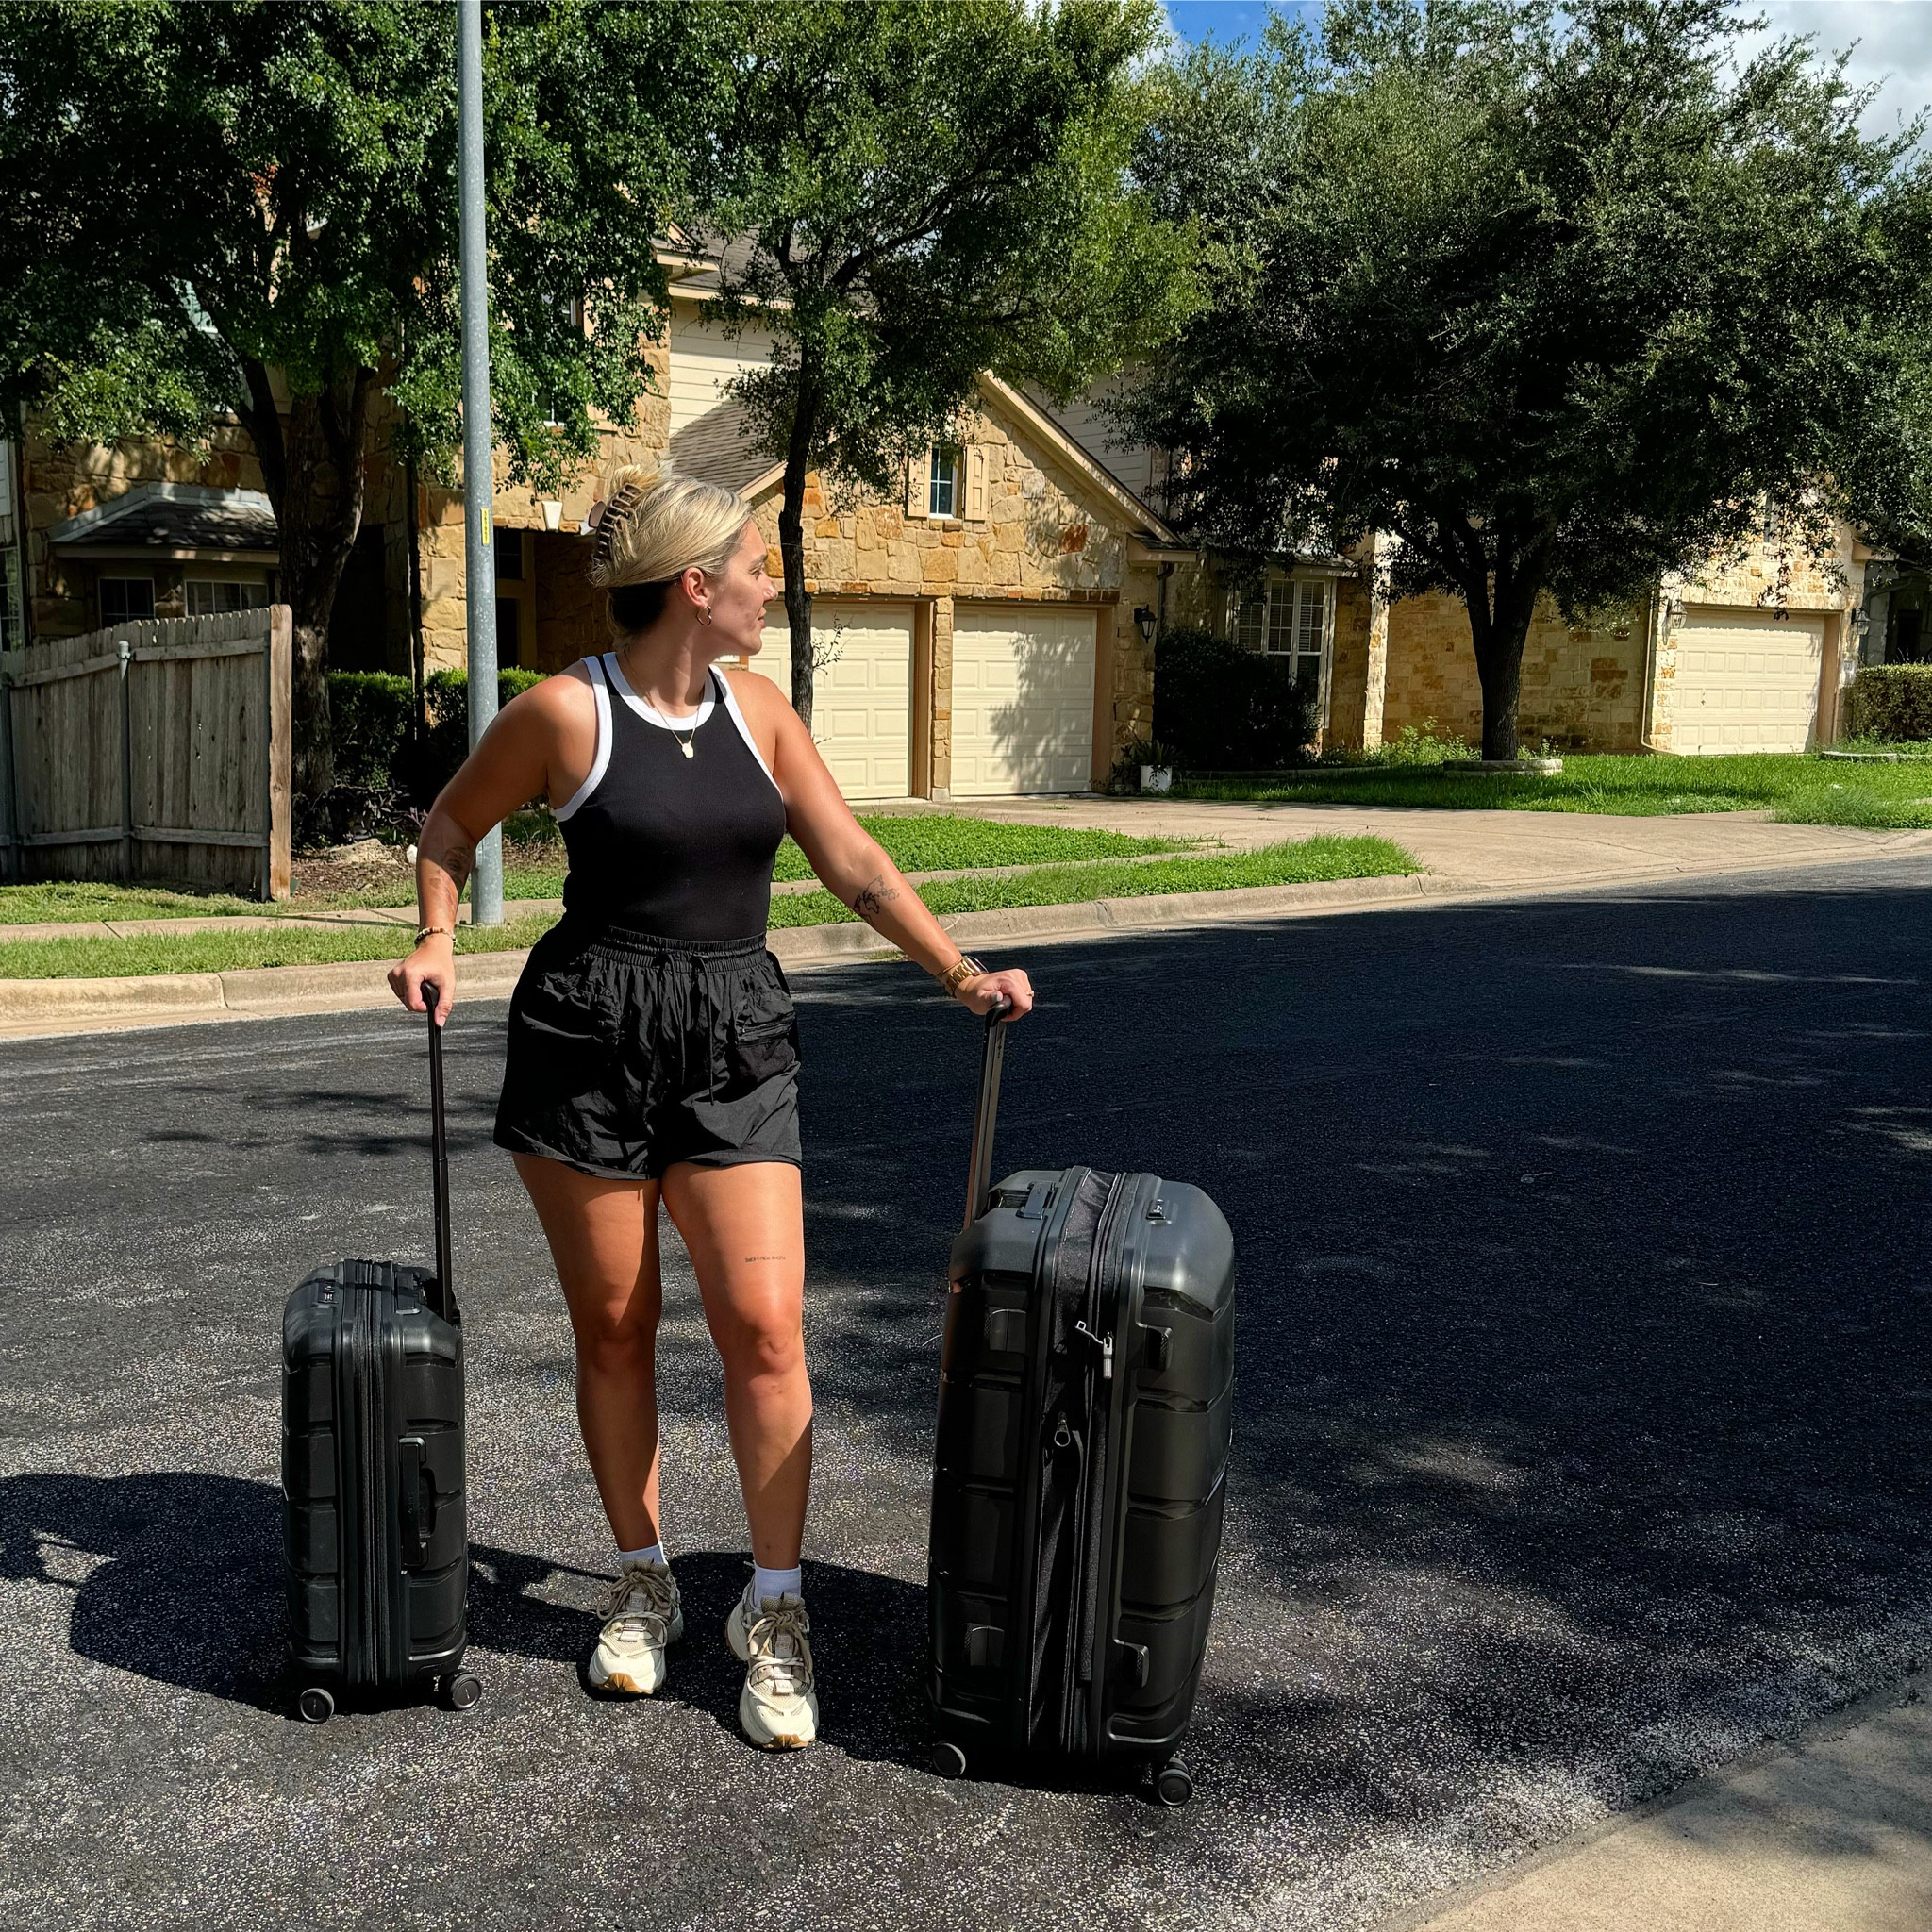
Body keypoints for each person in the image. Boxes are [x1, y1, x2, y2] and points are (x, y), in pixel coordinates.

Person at [388, 465, 1033, 1750]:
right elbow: (449, 828)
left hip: (734, 1034)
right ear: (699, 586)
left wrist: (960, 973)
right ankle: (641, 1581)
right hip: (586, 1038)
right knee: (618, 1330)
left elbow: (851, 861)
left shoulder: (764, 713)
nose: (768, 583)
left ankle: (776, 1609)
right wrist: (438, 937)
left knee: (767, 1329)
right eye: (755, 565)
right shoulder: (565, 714)